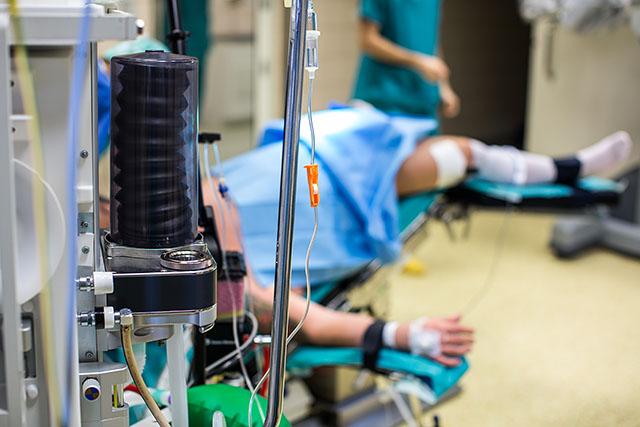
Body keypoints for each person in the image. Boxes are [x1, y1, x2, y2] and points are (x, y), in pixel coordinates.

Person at [352, 0, 460, 119]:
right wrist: (418, 61)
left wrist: (443, 85)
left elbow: (430, 40)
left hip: (424, 102)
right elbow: (368, 40)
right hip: (384, 99)